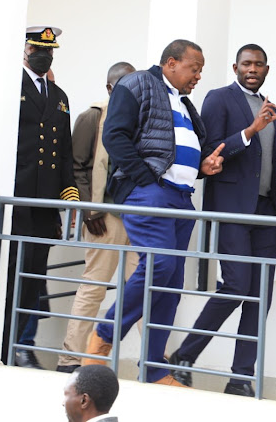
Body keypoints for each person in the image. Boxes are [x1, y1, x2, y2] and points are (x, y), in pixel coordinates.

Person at [83, 39, 224, 387]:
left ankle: (154, 368)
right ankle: (104, 334)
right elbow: (115, 136)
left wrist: (203, 166)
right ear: (172, 63)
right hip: (152, 193)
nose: (198, 76)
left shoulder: (185, 104)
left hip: (181, 197)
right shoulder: (137, 84)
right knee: (159, 263)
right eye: (195, 68)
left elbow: (179, 149)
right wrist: (146, 179)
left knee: (171, 281)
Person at [169, 44, 276, 396]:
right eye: (246, 64)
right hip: (233, 209)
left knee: (260, 295)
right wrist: (251, 130)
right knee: (236, 285)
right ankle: (184, 356)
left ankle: (241, 377)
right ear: (235, 67)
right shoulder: (219, 98)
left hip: (267, 210)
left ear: (267, 68)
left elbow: (262, 161)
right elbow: (210, 150)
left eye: (259, 64)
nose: (252, 69)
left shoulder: (269, 107)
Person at [1, 26, 79, 368]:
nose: (43, 55)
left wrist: (69, 193)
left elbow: (63, 151)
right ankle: (4, 344)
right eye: (37, 49)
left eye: (48, 50)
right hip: (18, 197)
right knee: (14, 269)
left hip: (45, 203)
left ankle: (19, 343)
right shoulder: (9, 85)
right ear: (25, 50)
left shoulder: (59, 95)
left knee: (34, 274)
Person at [56, 62, 140, 374]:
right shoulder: (93, 116)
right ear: (109, 88)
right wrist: (89, 209)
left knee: (143, 288)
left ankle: (152, 364)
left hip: (138, 215)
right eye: (122, 86)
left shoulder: (142, 116)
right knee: (94, 287)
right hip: (104, 217)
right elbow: (77, 166)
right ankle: (71, 360)